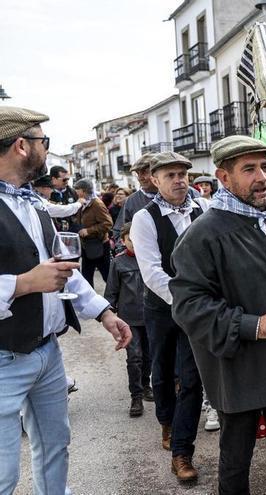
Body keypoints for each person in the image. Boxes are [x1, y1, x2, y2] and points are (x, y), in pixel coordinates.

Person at [171, 135, 266, 494]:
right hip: (240, 369)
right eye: (248, 169)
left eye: (264, 166)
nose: (262, 176)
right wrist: (257, 325)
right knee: (236, 466)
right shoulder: (202, 234)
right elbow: (189, 307)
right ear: (224, 177)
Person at [0, 106, 131, 494]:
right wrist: (23, 283)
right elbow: (36, 278)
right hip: (4, 358)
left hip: (48, 353)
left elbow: (63, 268)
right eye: (43, 141)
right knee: (3, 472)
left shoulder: (31, 202)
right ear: (22, 145)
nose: (46, 149)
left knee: (55, 447)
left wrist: (104, 312)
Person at [130, 151, 209, 482]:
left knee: (192, 377)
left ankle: (181, 452)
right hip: (162, 307)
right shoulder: (144, 218)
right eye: (170, 175)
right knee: (161, 370)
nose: (179, 180)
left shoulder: (204, 209)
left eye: (182, 174)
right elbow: (151, 271)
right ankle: (166, 419)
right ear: (155, 180)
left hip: (197, 308)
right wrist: (184, 300)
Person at [105, 221, 153, 417]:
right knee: (134, 357)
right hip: (129, 319)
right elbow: (111, 291)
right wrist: (109, 312)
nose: (134, 242)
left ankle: (145, 384)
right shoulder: (118, 262)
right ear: (123, 241)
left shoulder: (151, 259)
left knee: (149, 356)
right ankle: (136, 396)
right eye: (129, 239)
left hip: (150, 316)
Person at [73, 179, 113, 287]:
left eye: (77, 189)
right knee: (86, 277)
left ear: (84, 190)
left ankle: (117, 296)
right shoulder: (83, 202)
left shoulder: (96, 204)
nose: (76, 191)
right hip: (88, 246)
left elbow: (108, 223)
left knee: (107, 276)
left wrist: (88, 230)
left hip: (99, 246)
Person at [112, 153, 158, 242]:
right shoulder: (131, 201)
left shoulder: (177, 195)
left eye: (144, 172)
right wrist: (128, 247)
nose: (140, 178)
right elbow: (118, 232)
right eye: (137, 173)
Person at [48, 165, 77, 231]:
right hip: (53, 230)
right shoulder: (46, 194)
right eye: (64, 180)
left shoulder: (72, 192)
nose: (67, 181)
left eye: (68, 179)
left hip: (71, 231)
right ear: (54, 179)